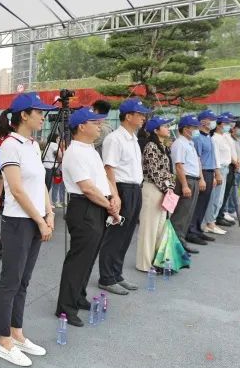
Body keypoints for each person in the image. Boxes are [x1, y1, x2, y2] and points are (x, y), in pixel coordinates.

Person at [0, 93, 55, 367]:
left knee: (24, 280)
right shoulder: (10, 145)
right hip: (18, 221)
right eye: (38, 112)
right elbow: (16, 189)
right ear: (24, 115)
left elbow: (40, 185)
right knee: (11, 280)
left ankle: (16, 332)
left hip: (36, 217)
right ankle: (2, 340)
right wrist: (39, 220)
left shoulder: (32, 145)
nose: (43, 116)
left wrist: (49, 212)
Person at [55, 107, 119, 327]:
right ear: (82, 127)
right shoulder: (74, 152)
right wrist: (110, 206)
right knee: (78, 260)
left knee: (89, 258)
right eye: (95, 123)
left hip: (98, 205)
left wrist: (113, 197)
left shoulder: (90, 149)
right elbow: (88, 188)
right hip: (85, 207)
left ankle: (78, 296)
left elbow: (102, 178)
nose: (100, 126)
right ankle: (65, 307)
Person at [97, 98, 152, 295]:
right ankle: (106, 277)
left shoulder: (133, 139)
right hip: (121, 189)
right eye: (140, 114)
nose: (143, 118)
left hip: (135, 188)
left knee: (127, 234)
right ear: (128, 116)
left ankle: (116, 274)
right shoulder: (115, 139)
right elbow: (109, 168)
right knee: (115, 234)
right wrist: (114, 195)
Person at [137, 116, 177, 271]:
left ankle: (157, 261)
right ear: (155, 130)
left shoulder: (163, 146)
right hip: (153, 189)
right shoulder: (151, 146)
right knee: (149, 228)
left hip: (163, 189)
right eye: (165, 126)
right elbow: (155, 172)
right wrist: (167, 187)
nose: (168, 128)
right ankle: (144, 264)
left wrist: (170, 187)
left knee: (160, 227)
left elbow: (167, 171)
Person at [170, 115, 206, 248]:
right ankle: (176, 244)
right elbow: (179, 166)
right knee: (181, 213)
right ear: (186, 129)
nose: (197, 130)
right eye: (194, 127)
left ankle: (181, 240)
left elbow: (196, 163)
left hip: (193, 180)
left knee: (188, 213)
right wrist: (185, 185)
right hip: (186, 180)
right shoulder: (179, 144)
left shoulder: (190, 143)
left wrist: (200, 178)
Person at [202, 113, 236, 233]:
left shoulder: (223, 137)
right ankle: (210, 222)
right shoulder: (215, 138)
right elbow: (215, 157)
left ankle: (213, 221)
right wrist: (217, 173)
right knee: (215, 198)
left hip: (225, 168)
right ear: (219, 124)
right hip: (219, 169)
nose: (228, 125)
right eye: (226, 123)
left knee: (220, 199)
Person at [190, 110, 220, 243]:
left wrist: (213, 175)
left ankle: (198, 229)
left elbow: (211, 158)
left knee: (204, 204)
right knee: (198, 204)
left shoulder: (208, 137)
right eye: (211, 119)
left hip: (209, 172)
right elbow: (197, 160)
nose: (213, 122)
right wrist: (201, 178)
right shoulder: (197, 138)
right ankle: (191, 231)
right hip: (202, 173)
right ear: (202, 121)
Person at [222, 118, 240, 223]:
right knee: (229, 192)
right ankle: (225, 211)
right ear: (233, 128)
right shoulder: (228, 138)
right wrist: (234, 163)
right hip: (232, 169)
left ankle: (231, 209)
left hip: (239, 170)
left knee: (233, 191)